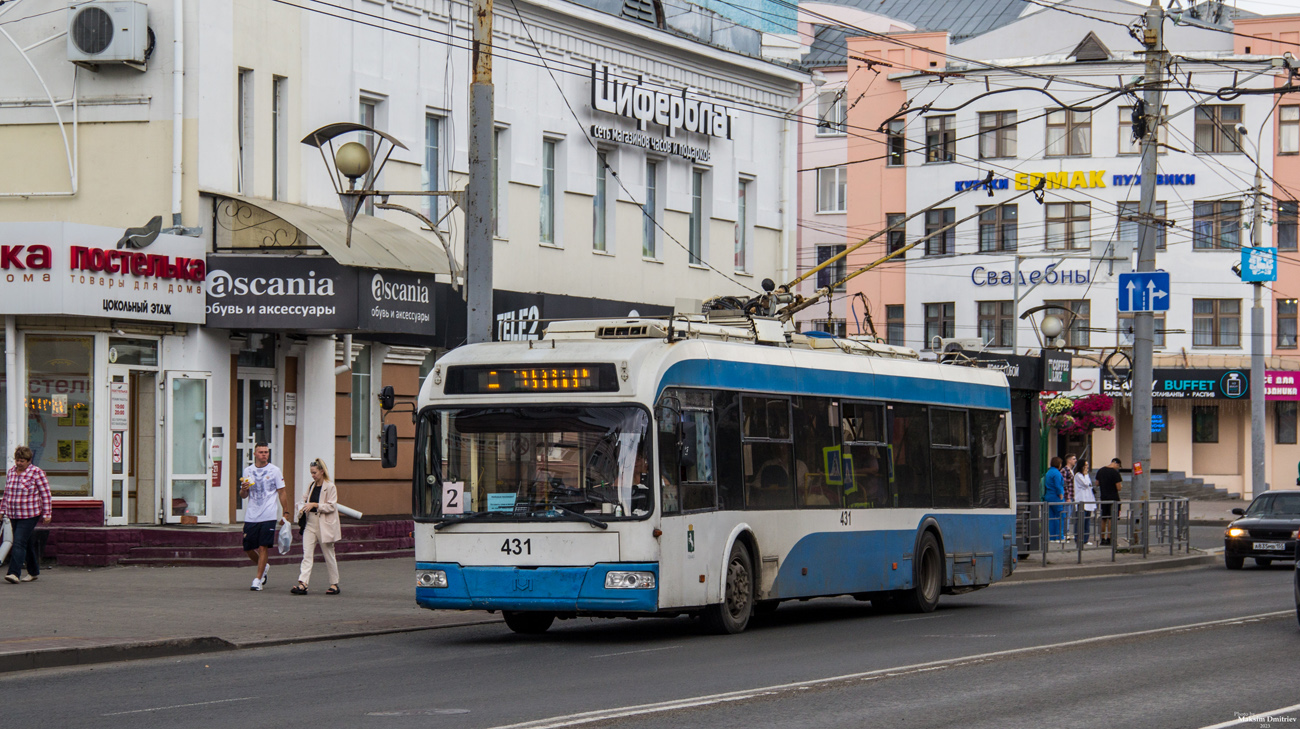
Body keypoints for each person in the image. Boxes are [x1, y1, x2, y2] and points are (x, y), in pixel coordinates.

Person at [240, 443, 290, 591]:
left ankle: (258, 579)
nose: (264, 454)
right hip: (252, 515)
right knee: (248, 548)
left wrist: (285, 512)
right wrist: (243, 490)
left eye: (266, 452)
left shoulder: (274, 471)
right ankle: (264, 566)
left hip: (268, 514)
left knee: (263, 547)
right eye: (261, 452)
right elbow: (243, 495)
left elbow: (282, 492)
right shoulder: (248, 471)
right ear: (255, 454)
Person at [2, 446, 52, 584]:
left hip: (29, 514)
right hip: (13, 513)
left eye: (22, 461)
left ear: (29, 460)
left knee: (18, 541)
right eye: (17, 460)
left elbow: (45, 494)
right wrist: (2, 510)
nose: (19, 463)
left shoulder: (37, 473)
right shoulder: (11, 472)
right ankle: (33, 571)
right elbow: (7, 493)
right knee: (26, 542)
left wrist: (47, 513)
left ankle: (13, 573)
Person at [292, 458, 341, 596]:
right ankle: (303, 583)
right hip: (311, 523)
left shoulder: (330, 486)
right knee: (307, 553)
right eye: (311, 473)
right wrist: (301, 507)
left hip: (324, 524)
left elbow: (331, 506)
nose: (313, 475)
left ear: (321, 471)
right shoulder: (311, 485)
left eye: (314, 472)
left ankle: (334, 583)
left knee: (329, 554)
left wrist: (315, 505)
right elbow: (304, 500)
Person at [1095, 458, 1124, 546]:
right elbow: (1118, 487)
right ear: (1116, 464)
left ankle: (1102, 539)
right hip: (1114, 498)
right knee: (1112, 518)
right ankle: (1109, 538)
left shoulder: (1100, 471)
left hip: (1104, 497)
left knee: (1104, 518)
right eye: (1118, 466)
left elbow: (1097, 483)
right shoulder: (1115, 473)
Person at [1074, 459, 1097, 545]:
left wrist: (1086, 475)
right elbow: (1086, 484)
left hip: (1089, 501)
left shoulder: (1086, 475)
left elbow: (1090, 484)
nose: (1087, 467)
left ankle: (1085, 539)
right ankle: (1078, 538)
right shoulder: (1078, 475)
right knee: (1080, 521)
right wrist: (1086, 474)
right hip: (1081, 501)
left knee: (1087, 521)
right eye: (1085, 465)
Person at [1043, 457, 1065, 542]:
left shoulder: (1048, 472)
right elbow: (1058, 485)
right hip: (1056, 497)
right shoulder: (1057, 473)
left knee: (1051, 518)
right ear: (1059, 464)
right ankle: (1059, 536)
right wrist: (1060, 495)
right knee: (1060, 517)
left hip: (1048, 496)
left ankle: (1052, 537)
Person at [1060, 453, 1077, 539]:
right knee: (1066, 514)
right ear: (1069, 460)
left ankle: (1066, 531)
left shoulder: (1071, 470)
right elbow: (1064, 484)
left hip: (1072, 495)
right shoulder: (1064, 470)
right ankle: (1064, 532)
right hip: (1068, 496)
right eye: (1073, 459)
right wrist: (1067, 497)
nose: (1075, 461)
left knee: (1069, 514)